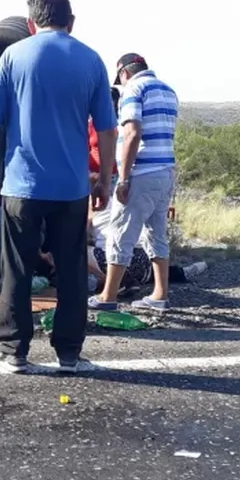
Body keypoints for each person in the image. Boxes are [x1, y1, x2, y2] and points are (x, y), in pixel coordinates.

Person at [0, 0, 118, 374]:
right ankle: (69, 353)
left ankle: (13, 352)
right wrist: (104, 180)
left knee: (18, 269)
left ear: (30, 24)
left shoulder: (12, 56)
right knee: (72, 271)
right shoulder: (91, 59)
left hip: (22, 186)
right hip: (72, 188)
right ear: (71, 22)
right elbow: (107, 129)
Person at [88, 53, 178, 313]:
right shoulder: (168, 90)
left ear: (124, 73)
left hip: (141, 172)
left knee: (121, 232)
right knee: (156, 233)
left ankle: (108, 296)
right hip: (165, 171)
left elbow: (132, 133)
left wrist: (124, 178)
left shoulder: (134, 89)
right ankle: (160, 294)